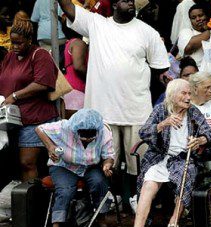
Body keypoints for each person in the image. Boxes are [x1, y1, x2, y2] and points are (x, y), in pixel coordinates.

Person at [58, 0, 169, 181]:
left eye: (132, 1)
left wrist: (167, 80)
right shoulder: (96, 24)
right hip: (104, 112)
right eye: (125, 1)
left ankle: (137, 199)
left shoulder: (148, 32)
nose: (131, 3)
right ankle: (112, 202)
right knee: (108, 166)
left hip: (136, 110)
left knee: (140, 163)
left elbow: (160, 69)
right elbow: (69, 9)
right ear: (115, 4)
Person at [128, 79, 211, 227]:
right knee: (148, 185)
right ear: (172, 95)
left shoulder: (193, 112)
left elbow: (210, 134)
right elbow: (143, 132)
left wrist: (200, 140)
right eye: (184, 93)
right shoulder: (161, 110)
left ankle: (174, 222)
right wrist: (163, 124)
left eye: (190, 93)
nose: (188, 97)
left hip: (182, 158)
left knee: (187, 174)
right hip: (159, 158)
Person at [36, 109, 114, 227]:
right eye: (83, 136)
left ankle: (101, 221)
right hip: (64, 166)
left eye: (91, 137)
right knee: (65, 191)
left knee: (99, 182)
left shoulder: (103, 131)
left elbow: (109, 155)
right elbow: (39, 129)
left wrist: (107, 164)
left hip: (91, 166)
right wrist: (50, 147)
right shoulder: (65, 126)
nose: (87, 140)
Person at [0, 11, 58, 181]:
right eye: (13, 42)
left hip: (35, 117)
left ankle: (31, 203)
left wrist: (15, 96)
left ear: (29, 40)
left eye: (19, 43)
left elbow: (44, 83)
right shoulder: (10, 56)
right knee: (14, 163)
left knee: (27, 162)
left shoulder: (40, 55)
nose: (15, 47)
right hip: (11, 119)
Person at [62, 30, 88, 118]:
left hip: (68, 90)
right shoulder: (78, 43)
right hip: (77, 93)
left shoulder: (69, 43)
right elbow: (78, 66)